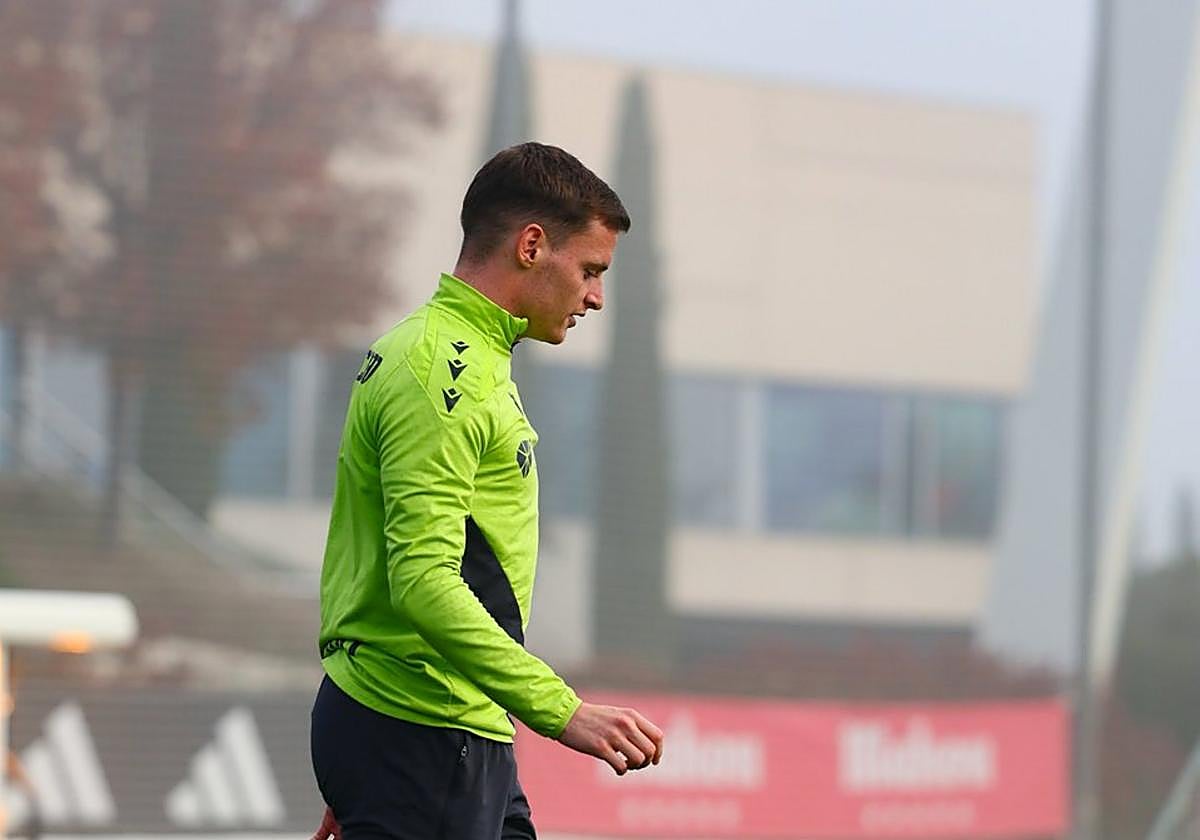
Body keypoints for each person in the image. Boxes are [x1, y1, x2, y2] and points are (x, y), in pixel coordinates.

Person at [310, 142, 665, 840]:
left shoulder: (453, 353)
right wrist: (564, 710)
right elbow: (423, 579)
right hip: (422, 726)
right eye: (591, 270)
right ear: (533, 245)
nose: (596, 296)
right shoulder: (443, 372)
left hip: (437, 733)